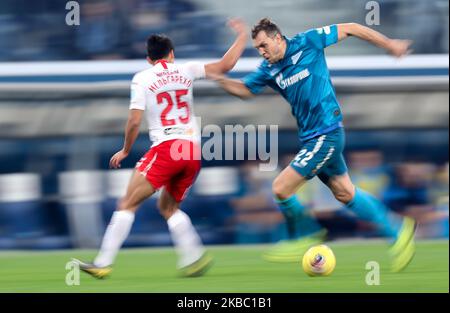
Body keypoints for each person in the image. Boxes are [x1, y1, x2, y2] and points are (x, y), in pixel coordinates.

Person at [211, 18, 416, 272]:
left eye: (264, 45)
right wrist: (218, 79)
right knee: (344, 193)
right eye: (258, 48)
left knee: (281, 187)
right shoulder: (268, 69)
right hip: (311, 138)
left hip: (327, 133)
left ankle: (305, 235)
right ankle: (398, 230)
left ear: (278, 38)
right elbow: (244, 90)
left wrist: (389, 45)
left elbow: (351, 27)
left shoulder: (308, 41)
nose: (261, 51)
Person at [72, 19, 248, 278]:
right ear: (172, 54)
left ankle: (103, 263)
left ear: (148, 59)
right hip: (191, 151)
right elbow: (225, 66)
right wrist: (243, 35)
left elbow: (134, 120)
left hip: (167, 148)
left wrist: (124, 150)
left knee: (127, 203)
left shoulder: (142, 78)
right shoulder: (187, 70)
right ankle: (194, 256)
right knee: (168, 208)